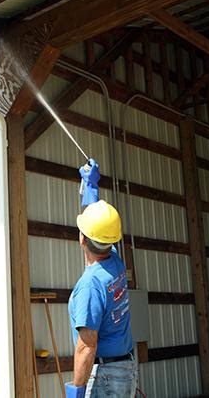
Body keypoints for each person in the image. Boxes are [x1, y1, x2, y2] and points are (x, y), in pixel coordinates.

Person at [65, 159, 137, 398]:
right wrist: (90, 186)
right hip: (124, 369)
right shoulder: (114, 261)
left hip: (105, 377)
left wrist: (75, 392)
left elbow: (86, 346)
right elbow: (100, 227)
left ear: (82, 240)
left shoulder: (90, 285)